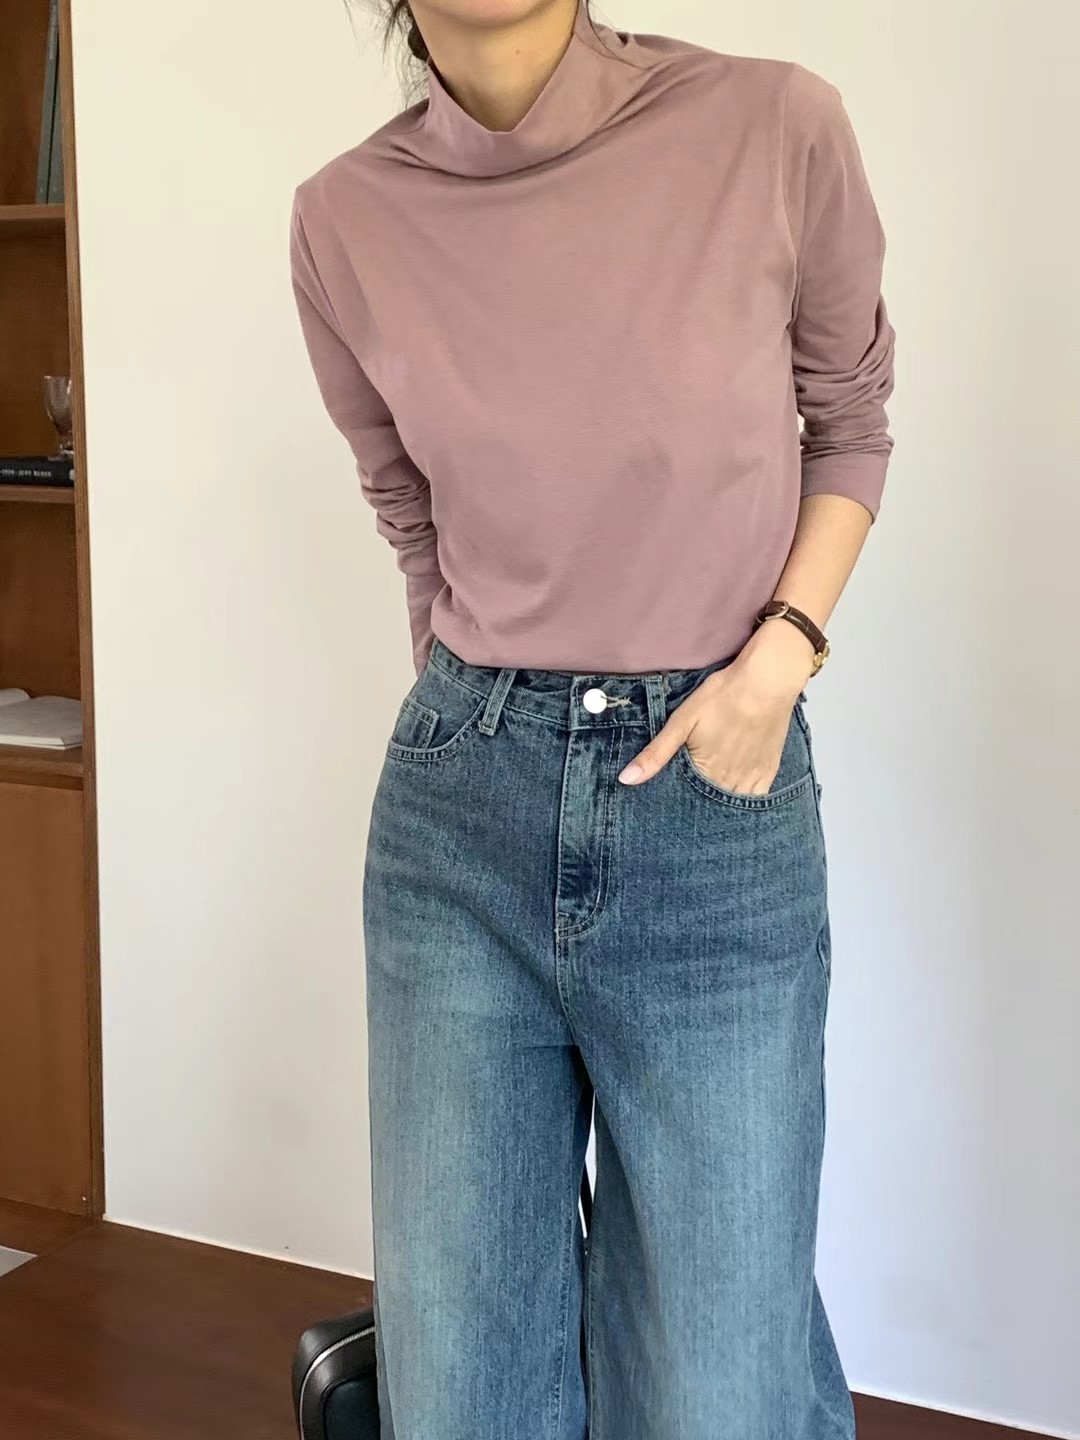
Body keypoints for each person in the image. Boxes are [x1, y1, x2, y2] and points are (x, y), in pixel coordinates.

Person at [289, 1, 895, 1435]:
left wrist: (779, 660)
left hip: (716, 793)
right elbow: (405, 505)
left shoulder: (771, 124)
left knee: (718, 1371)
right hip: (460, 814)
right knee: (461, 1368)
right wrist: (476, 712)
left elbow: (850, 425)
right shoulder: (344, 217)